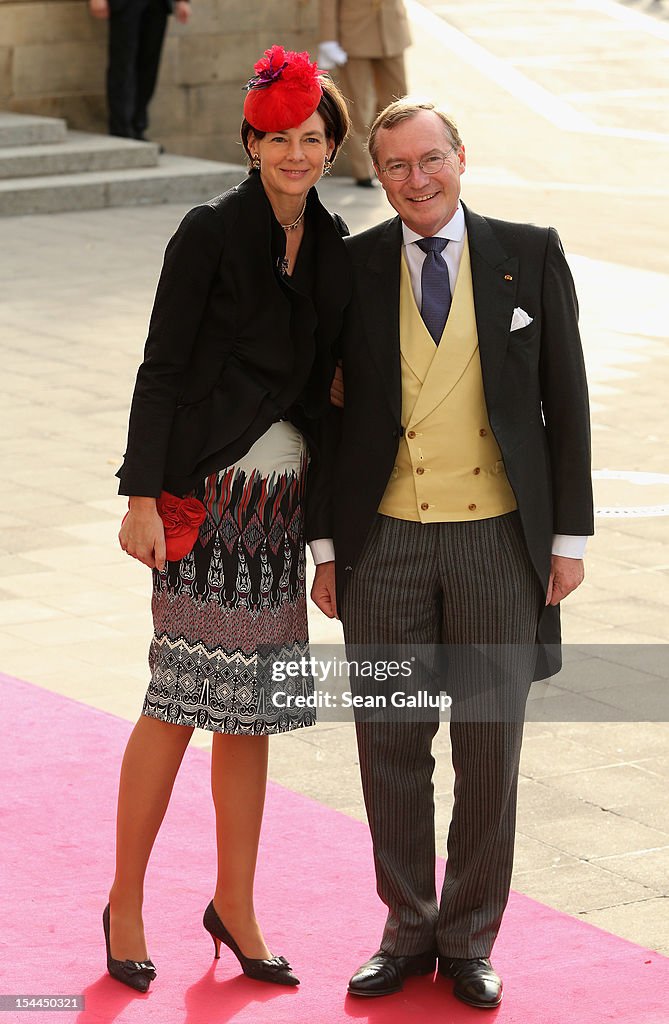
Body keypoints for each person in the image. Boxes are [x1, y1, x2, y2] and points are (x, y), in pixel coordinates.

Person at [312, 99, 593, 1008]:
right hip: (383, 542)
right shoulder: (350, 266)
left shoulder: (529, 249)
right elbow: (324, 418)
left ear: (460, 158)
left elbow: (566, 400)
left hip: (493, 540)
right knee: (388, 743)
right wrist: (322, 547)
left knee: (486, 748)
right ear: (376, 173)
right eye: (394, 166)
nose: (416, 180)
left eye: (429, 159)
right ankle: (404, 928)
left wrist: (567, 540)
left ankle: (468, 936)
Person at [105, 46, 350, 994]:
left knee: (247, 719)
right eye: (278, 138)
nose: (296, 153)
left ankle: (234, 903)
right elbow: (160, 367)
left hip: (280, 515)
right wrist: (138, 496)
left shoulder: (333, 245)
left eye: (313, 138)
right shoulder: (207, 231)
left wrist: (330, 540)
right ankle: (125, 900)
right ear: (250, 144)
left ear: (331, 150)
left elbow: (332, 391)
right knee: (174, 705)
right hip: (201, 507)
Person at [318, 0, 410, 187]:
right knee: (357, 106)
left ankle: (398, 161)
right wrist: (328, 39)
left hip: (392, 30)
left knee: (400, 105)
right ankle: (363, 171)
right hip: (355, 34)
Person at [88, 0, 191, 141]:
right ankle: (121, 132)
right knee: (122, 66)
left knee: (149, 68)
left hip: (157, 4)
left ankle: (138, 129)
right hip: (126, 4)